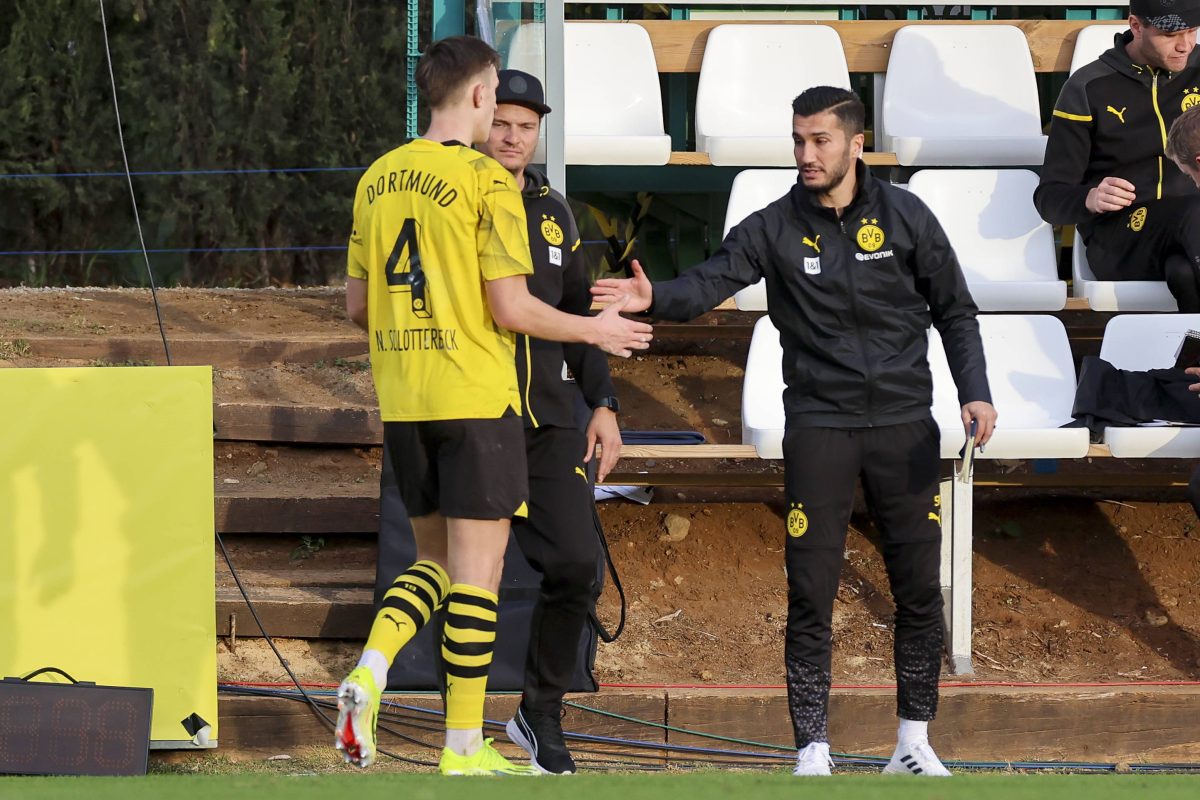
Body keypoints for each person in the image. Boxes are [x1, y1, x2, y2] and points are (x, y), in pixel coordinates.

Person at [591, 86, 996, 778]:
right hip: (819, 427)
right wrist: (655, 294)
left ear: (856, 144)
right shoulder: (775, 226)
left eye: (820, 141)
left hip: (904, 426)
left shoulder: (906, 216)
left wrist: (976, 392)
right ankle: (812, 748)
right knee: (811, 589)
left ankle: (913, 742)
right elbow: (710, 281)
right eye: (798, 141)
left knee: (919, 591)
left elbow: (955, 309)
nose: (806, 154)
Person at [335, 35, 652, 776]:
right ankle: (463, 748)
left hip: (406, 400)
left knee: (434, 563)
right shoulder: (486, 186)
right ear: (481, 94)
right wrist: (592, 328)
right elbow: (512, 307)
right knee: (477, 575)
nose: (504, 127)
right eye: (497, 107)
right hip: (478, 398)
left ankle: (373, 670)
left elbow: (357, 305)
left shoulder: (376, 178)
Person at [471, 68, 621, 775]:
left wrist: (605, 405)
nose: (512, 136)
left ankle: (540, 711)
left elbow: (581, 318)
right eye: (502, 122)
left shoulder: (557, 212)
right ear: (481, 121)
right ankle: (459, 733)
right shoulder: (456, 196)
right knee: (470, 573)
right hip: (475, 414)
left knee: (577, 565)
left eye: (525, 126)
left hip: (553, 418)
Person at [1034, 1, 1200, 311]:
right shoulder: (1087, 87)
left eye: (1192, 31)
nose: (1185, 45)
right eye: (1171, 34)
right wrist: (1091, 197)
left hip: (1188, 240)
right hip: (1123, 237)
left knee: (1184, 272)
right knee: (1195, 212)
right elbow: (1049, 198)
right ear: (1136, 26)